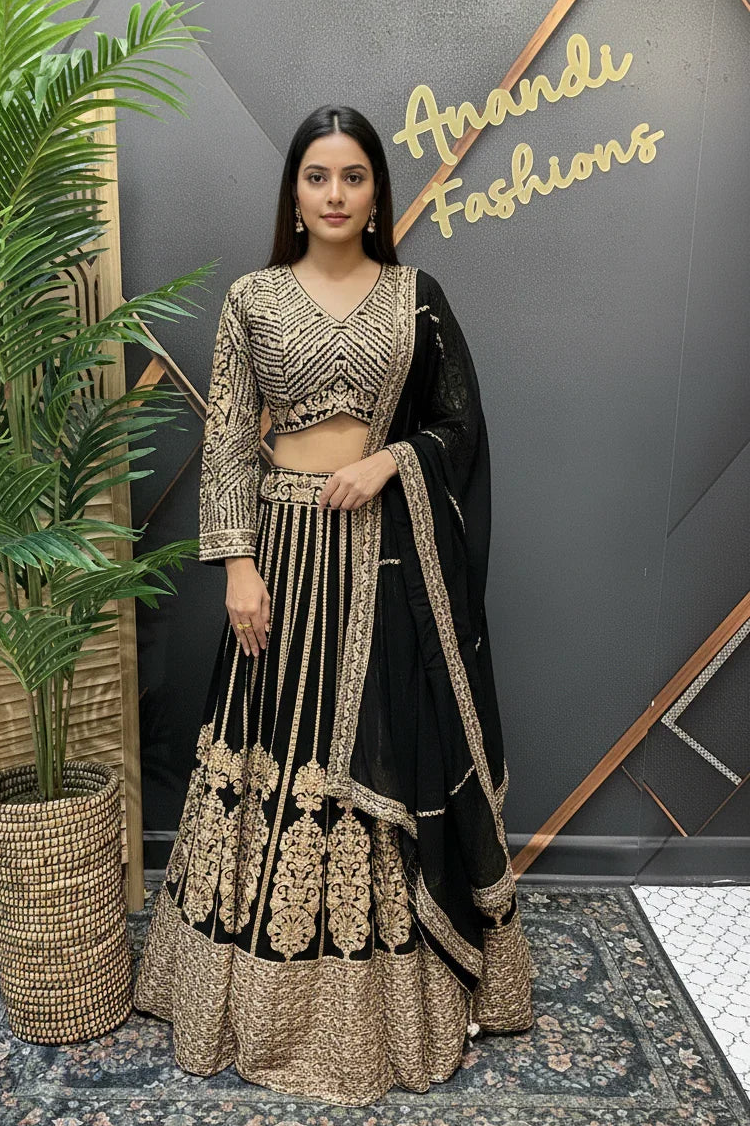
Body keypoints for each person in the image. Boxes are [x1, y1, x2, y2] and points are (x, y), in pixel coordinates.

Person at [133, 104, 534, 1105]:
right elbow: (227, 437)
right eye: (318, 176)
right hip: (281, 553)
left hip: (384, 565)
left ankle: (393, 1009)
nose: (336, 194)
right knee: (274, 761)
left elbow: (460, 424)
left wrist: (393, 461)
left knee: (381, 758)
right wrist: (236, 564)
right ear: (295, 194)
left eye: (354, 177)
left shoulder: (414, 295)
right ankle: (252, 1003)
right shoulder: (255, 297)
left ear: (376, 193)